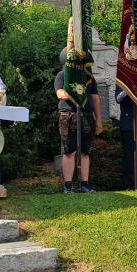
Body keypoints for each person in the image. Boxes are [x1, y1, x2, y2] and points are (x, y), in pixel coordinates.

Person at [55, 52, 102, 193]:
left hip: (87, 115)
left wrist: (99, 120)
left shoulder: (88, 77)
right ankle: (68, 186)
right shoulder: (62, 75)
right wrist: (78, 90)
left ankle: (85, 184)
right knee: (69, 151)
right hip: (68, 115)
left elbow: (95, 99)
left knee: (85, 151)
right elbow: (60, 94)